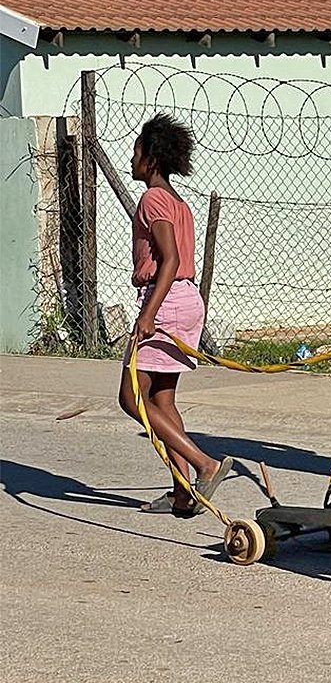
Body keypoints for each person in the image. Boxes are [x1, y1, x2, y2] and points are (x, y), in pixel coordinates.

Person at [117, 113, 233, 517]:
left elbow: (170, 260)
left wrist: (147, 315)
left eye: (136, 150)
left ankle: (204, 465)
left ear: (151, 157)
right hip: (185, 299)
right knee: (163, 401)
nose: (130, 158)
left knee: (131, 397)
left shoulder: (153, 199)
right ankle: (184, 495)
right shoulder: (178, 202)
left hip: (164, 301)